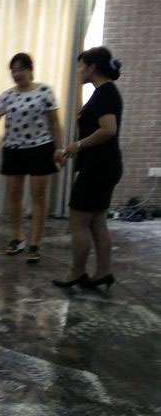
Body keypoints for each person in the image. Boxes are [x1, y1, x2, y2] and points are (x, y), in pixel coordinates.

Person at [53, 47, 123, 290]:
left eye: (81, 66)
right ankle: (103, 271)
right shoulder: (104, 92)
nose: (78, 70)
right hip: (103, 165)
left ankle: (77, 272)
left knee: (79, 221)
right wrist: (72, 149)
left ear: (92, 67)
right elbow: (87, 124)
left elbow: (108, 129)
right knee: (97, 222)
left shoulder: (105, 93)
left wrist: (78, 145)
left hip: (99, 168)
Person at [0, 53, 64, 263]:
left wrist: (59, 149)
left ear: (30, 70)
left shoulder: (45, 91)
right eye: (13, 70)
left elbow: (55, 123)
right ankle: (17, 237)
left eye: (20, 69)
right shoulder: (7, 96)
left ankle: (35, 243)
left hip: (40, 148)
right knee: (14, 195)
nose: (16, 73)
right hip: (13, 149)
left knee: (39, 196)